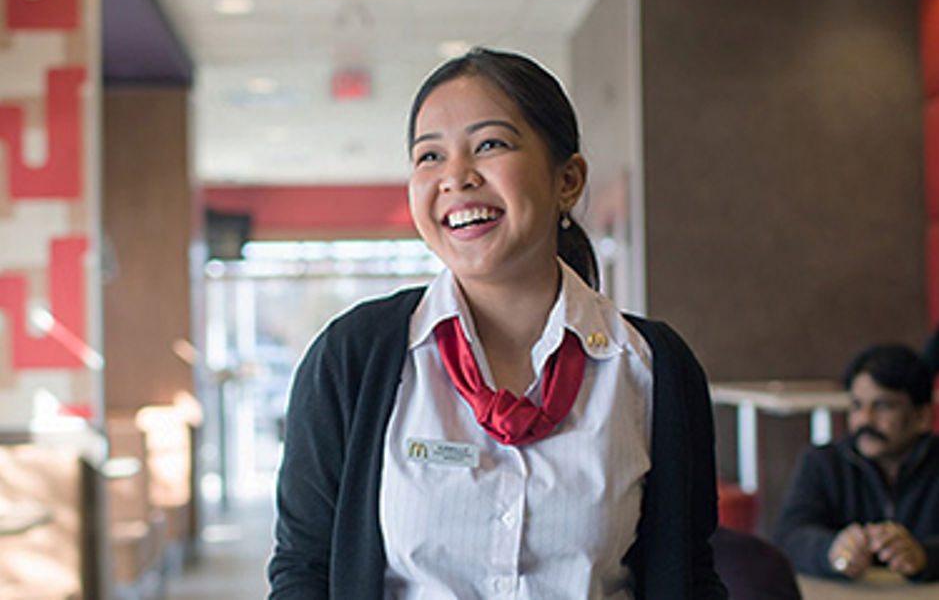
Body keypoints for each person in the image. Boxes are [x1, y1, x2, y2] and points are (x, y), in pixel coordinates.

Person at [267, 47, 726, 599]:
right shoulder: (353, 358)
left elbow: (688, 576)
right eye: (428, 156)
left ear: (568, 180)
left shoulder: (654, 369)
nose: (455, 177)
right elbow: (303, 570)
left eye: (490, 145)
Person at [774, 341, 939, 581]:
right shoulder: (823, 463)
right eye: (856, 405)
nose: (865, 420)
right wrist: (831, 550)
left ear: (922, 416)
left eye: (883, 406)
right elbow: (788, 536)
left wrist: (925, 556)